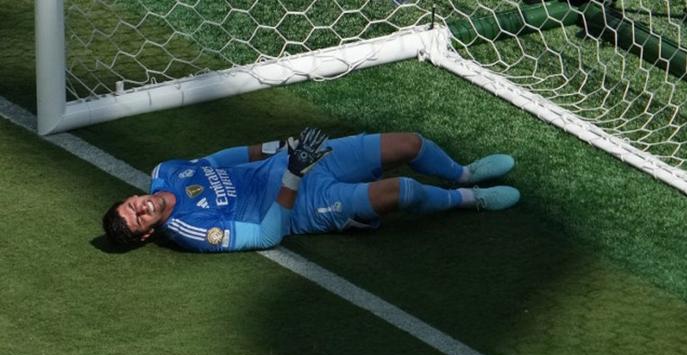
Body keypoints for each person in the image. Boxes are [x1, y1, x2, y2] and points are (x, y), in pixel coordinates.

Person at [102, 129, 519, 252]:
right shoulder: (192, 231)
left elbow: (220, 158)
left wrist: (278, 149)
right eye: (138, 219)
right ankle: (470, 200)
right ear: (147, 234)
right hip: (303, 205)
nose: (140, 207)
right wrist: (292, 177)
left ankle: (463, 173)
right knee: (404, 190)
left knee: (409, 145)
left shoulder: (166, 172)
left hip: (293, 162)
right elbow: (268, 236)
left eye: (130, 205)